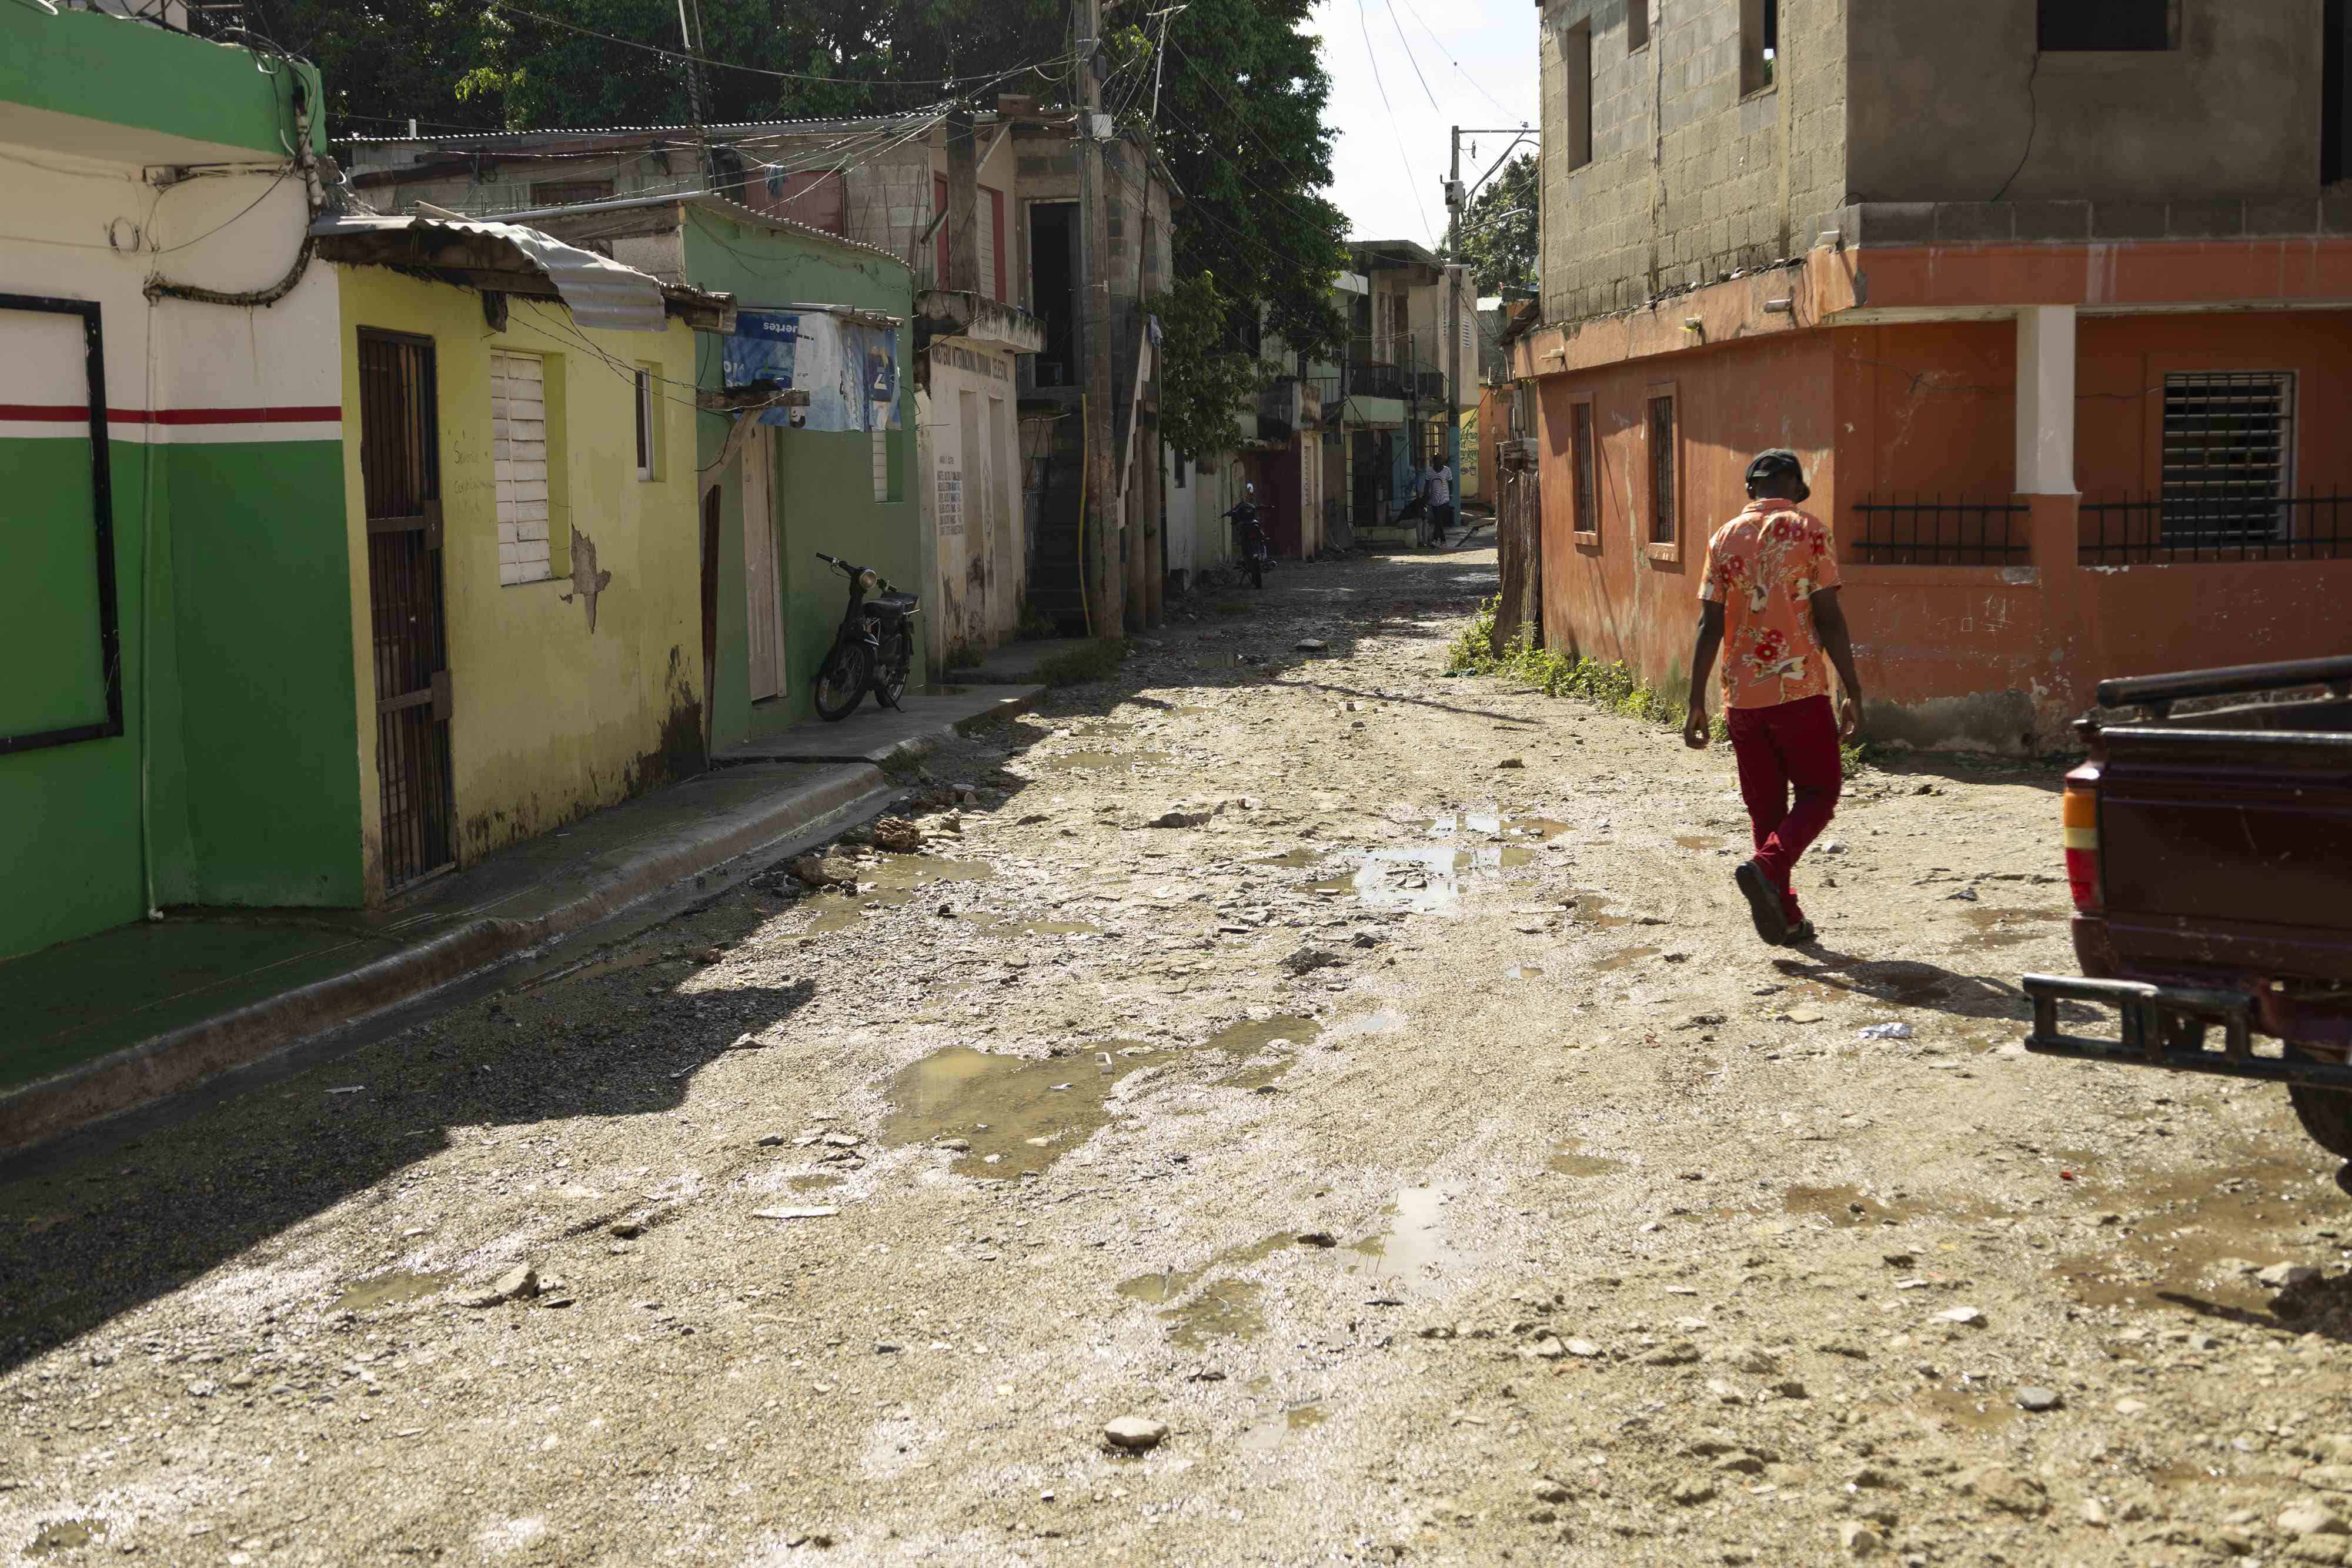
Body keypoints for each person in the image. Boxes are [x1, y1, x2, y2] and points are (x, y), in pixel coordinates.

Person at [1681, 450, 1865, 948]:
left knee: (1766, 811)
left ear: (1751, 489)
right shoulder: (1810, 531)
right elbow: (1828, 616)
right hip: (1798, 690)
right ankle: (1767, 867)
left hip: (1742, 698)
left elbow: (1709, 624)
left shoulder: (1722, 538)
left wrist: (1696, 700)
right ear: (1794, 486)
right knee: (1819, 794)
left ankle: (1785, 915)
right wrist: (1852, 687)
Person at [1424, 458, 1455, 546]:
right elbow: (1427, 484)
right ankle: (1441, 540)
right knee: (1438, 519)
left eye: (1438, 461)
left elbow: (1451, 483)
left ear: (1441, 461)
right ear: (1433, 462)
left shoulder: (1447, 470)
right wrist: (1426, 496)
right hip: (1434, 499)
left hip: (1444, 499)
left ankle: (1437, 539)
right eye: (1435, 461)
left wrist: (1451, 495)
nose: (1437, 463)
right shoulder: (1429, 471)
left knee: (1439, 518)